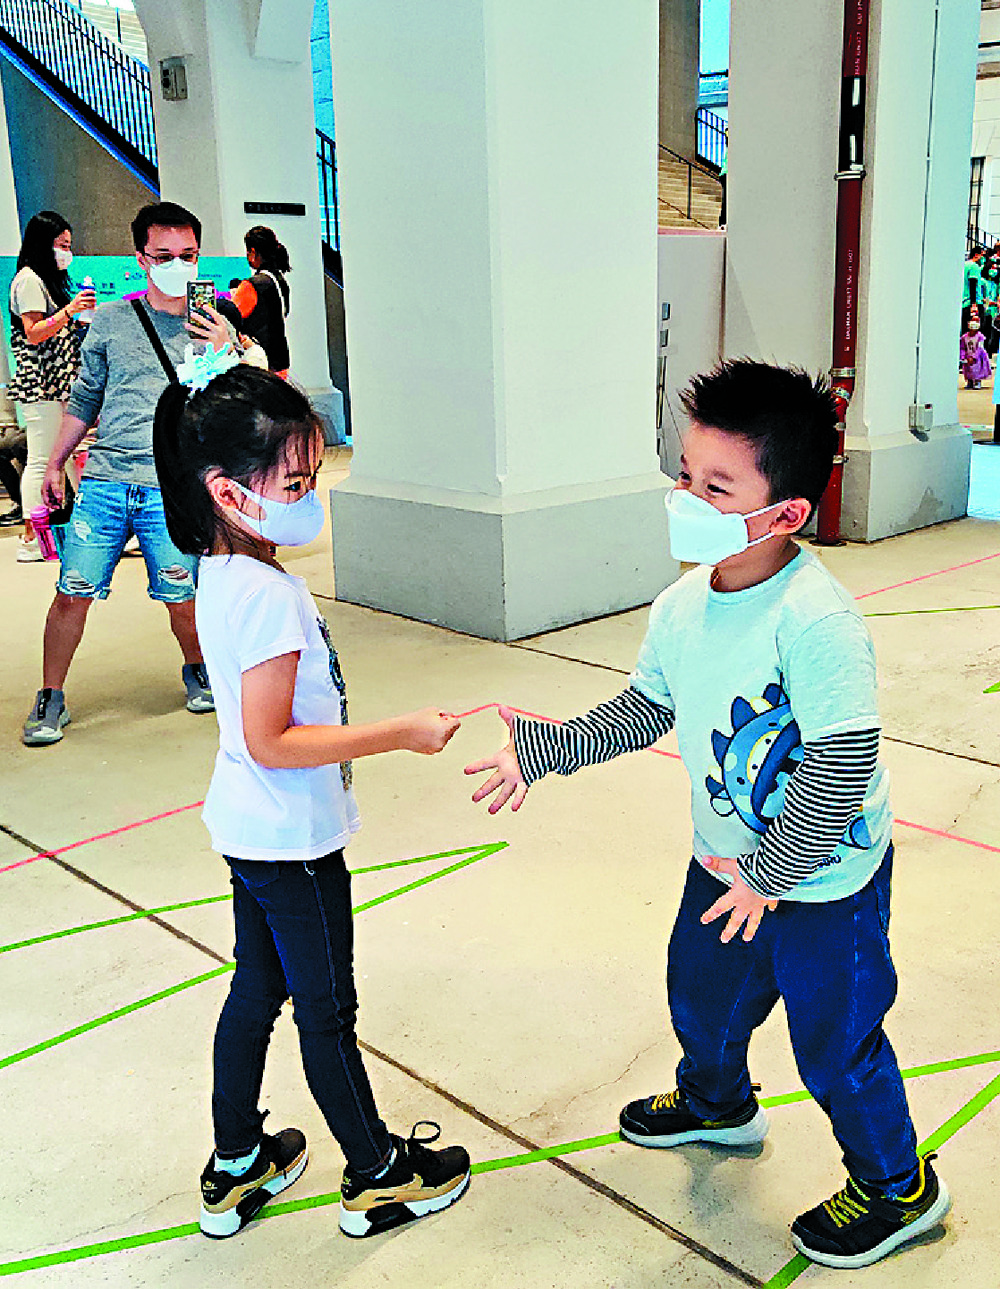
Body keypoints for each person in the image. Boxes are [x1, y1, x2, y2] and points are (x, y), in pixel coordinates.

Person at [465, 359, 951, 1271]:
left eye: (716, 488)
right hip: (725, 865)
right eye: (685, 474)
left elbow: (842, 766)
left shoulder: (816, 621)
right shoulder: (682, 606)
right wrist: (546, 748)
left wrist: (772, 876)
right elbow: (646, 708)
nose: (685, 498)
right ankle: (716, 1102)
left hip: (825, 883)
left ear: (786, 512)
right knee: (701, 995)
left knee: (836, 1045)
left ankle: (897, 1185)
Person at [151, 363, 471, 1240]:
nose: (310, 498)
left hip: (249, 828)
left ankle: (237, 1160)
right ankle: (377, 1173)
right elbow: (272, 739)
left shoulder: (223, 568)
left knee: (257, 988)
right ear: (228, 491)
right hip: (291, 839)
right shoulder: (267, 596)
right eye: (294, 484)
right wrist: (399, 732)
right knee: (326, 1013)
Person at [21, 201, 228, 746]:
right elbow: (85, 398)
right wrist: (55, 461)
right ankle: (50, 694)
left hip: (173, 486)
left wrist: (223, 351)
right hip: (106, 480)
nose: (177, 264)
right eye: (164, 255)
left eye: (187, 254)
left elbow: (227, 406)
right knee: (72, 591)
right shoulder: (112, 321)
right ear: (141, 258)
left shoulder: (213, 323)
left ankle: (199, 669)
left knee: (183, 593)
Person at [7, 210, 95, 561]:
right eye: (61, 245)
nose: (66, 253)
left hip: (59, 382)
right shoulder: (29, 281)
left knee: (69, 453)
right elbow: (33, 333)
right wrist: (69, 311)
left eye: (69, 246)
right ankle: (33, 536)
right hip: (41, 383)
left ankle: (90, 526)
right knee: (42, 458)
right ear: (43, 244)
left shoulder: (47, 281)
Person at [230, 226, 291, 375]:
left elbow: (230, 318)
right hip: (280, 360)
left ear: (252, 252)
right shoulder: (280, 281)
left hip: (258, 363)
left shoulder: (251, 285)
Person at [960, 317, 991, 389]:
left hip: (978, 357)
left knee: (977, 369)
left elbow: (980, 348)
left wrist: (974, 357)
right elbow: (962, 348)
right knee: (968, 369)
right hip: (968, 355)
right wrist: (963, 356)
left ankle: (977, 381)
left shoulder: (980, 337)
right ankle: (970, 381)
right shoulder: (964, 337)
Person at [962, 246, 985, 336]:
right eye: (982, 256)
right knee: (977, 335)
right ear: (976, 255)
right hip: (972, 303)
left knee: (965, 334)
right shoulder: (974, 266)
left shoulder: (964, 265)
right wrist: (974, 304)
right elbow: (973, 284)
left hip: (964, 303)